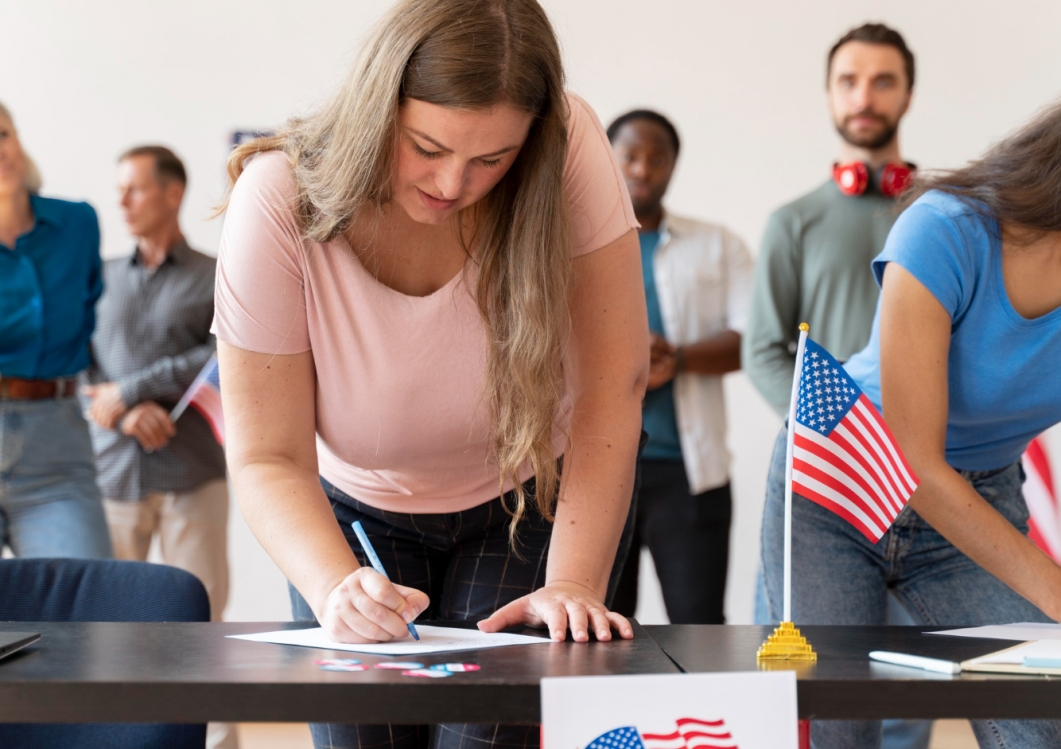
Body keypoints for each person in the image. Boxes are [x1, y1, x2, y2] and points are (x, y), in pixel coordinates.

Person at [213, 1, 647, 748]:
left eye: (492, 160)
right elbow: (267, 454)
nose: (453, 184)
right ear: (377, 109)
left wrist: (573, 579)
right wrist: (332, 586)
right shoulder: (277, 198)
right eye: (427, 146)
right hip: (353, 519)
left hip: (521, 502)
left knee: (489, 733)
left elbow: (614, 386)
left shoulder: (569, 141)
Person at [762, 99, 1061, 748]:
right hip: (843, 480)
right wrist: (1052, 587)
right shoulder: (944, 229)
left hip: (977, 494)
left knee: (1041, 716)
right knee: (835, 722)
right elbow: (914, 462)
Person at [743, 25, 930, 749]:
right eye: (849, 80)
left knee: (912, 681)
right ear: (828, 94)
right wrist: (827, 435)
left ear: (907, 93)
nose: (864, 96)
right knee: (809, 686)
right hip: (820, 482)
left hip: (915, 479)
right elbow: (762, 350)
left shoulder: (945, 212)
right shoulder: (791, 222)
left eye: (882, 80)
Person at [82, 146, 235, 749]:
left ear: (172, 194)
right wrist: (124, 415)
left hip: (193, 477)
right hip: (112, 477)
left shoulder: (216, 275)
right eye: (119, 189)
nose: (121, 201)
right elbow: (74, 368)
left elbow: (223, 353)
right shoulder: (98, 280)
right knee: (106, 627)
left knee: (201, 628)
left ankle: (216, 743)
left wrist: (136, 389)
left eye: (135, 189)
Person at [606, 109, 752, 624]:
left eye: (657, 158)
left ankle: (700, 711)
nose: (642, 170)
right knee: (595, 633)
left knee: (699, 627)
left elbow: (753, 339)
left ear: (673, 166)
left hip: (690, 476)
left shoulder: (719, 245)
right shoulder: (569, 246)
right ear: (607, 160)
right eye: (629, 157)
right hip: (598, 472)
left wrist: (679, 359)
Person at [0, 102, 111, 559]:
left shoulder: (77, 224)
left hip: (56, 448)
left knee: (86, 614)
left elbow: (88, 321)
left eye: (3, 135)